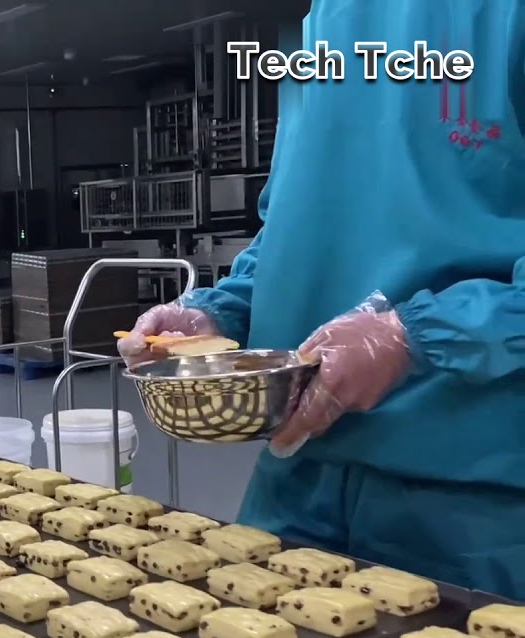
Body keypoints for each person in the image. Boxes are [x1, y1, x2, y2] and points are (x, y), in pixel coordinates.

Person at [118, 0, 525, 600]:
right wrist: (221, 310)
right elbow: (293, 225)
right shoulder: (325, 22)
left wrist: (417, 334)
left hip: (468, 489)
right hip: (299, 467)